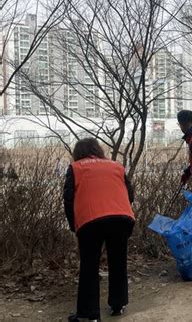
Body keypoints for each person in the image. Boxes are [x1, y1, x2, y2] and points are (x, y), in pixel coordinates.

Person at [64, 138, 135, 322]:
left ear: (78, 153)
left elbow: (68, 200)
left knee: (89, 266)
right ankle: (118, 305)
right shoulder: (116, 166)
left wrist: (74, 226)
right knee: (118, 261)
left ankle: (89, 314)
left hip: (91, 220)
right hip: (121, 218)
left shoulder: (76, 167)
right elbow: (130, 194)